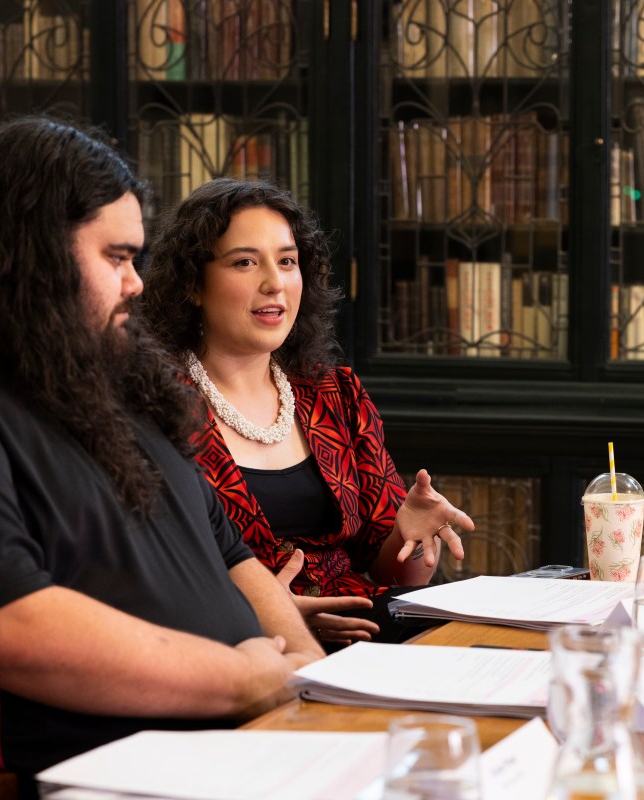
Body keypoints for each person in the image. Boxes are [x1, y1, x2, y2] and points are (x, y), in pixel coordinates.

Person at [0, 118, 324, 788]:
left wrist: (307, 681)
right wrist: (244, 680)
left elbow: (227, 553)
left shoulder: (106, 373)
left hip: (251, 732)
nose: (136, 284)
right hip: (112, 766)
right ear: (29, 255)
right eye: (117, 257)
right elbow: (6, 623)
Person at [140, 178, 474, 647]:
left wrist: (412, 537)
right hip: (239, 646)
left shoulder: (335, 395)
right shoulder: (155, 408)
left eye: (287, 261)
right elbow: (152, 575)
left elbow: (393, 574)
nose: (274, 283)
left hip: (366, 637)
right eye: (244, 262)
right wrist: (271, 615)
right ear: (193, 283)